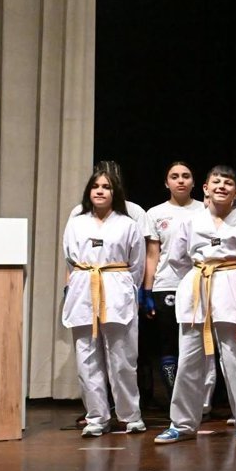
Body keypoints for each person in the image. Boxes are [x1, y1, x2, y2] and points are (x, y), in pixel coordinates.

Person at [155, 165, 236, 444]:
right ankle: (182, 423)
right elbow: (177, 258)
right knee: (189, 359)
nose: (221, 186)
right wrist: (198, 274)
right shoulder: (191, 222)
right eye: (216, 182)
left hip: (231, 286)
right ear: (205, 188)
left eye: (228, 183)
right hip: (197, 287)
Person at [62, 166, 147, 437]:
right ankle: (96, 417)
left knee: (122, 357)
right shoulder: (76, 222)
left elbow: (137, 265)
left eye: (106, 187)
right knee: (87, 357)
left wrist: (123, 286)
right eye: (95, 186)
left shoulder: (128, 224)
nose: (100, 191)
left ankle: (130, 415)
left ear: (115, 192)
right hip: (84, 288)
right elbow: (69, 258)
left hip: (116, 288)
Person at [142, 162, 206, 401]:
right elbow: (152, 254)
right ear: (166, 183)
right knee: (168, 343)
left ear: (194, 182)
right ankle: (173, 398)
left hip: (199, 283)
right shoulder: (155, 213)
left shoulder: (205, 209)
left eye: (186, 176)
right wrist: (147, 290)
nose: (180, 180)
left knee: (195, 342)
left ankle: (197, 398)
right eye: (175, 176)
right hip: (166, 284)